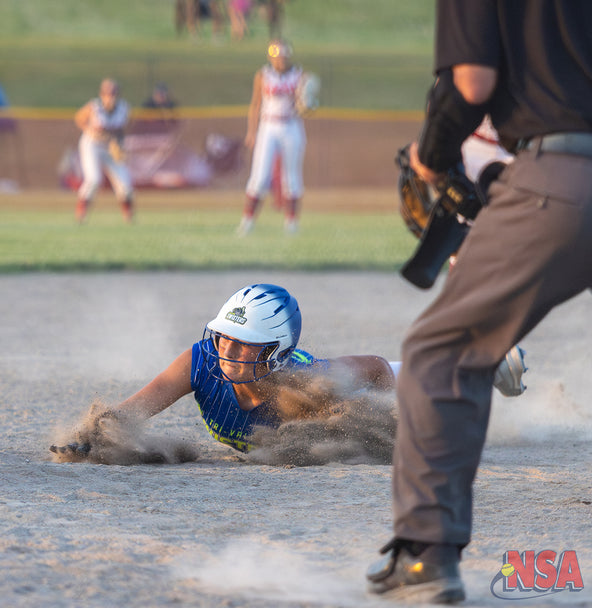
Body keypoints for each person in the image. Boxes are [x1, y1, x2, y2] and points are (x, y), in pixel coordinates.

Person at [367, 2, 592, 604]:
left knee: (440, 352)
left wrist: (432, 154)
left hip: (567, 171)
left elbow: (471, 83)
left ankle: (426, 558)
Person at [50, 284, 526, 458]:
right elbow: (136, 408)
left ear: (276, 351)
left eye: (245, 343)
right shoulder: (200, 361)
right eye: (226, 337)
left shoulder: (307, 381)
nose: (229, 350)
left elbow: (381, 371)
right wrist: (93, 436)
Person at [238, 39, 308, 236]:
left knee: (292, 178)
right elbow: (255, 104)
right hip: (268, 125)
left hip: (291, 124)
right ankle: (247, 222)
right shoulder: (263, 75)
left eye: (283, 55)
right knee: (259, 177)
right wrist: (251, 131)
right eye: (276, 56)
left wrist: (307, 104)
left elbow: (306, 107)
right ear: (270, 57)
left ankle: (291, 225)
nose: (280, 60)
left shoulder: (299, 75)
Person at [74, 78, 134, 224]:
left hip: (109, 147)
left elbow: (122, 130)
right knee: (94, 179)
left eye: (113, 94)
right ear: (101, 94)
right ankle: (81, 214)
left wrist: (120, 145)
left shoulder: (124, 108)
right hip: (92, 145)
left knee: (125, 184)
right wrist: (89, 129)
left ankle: (128, 218)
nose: (109, 98)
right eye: (106, 94)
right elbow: (79, 118)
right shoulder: (94, 107)